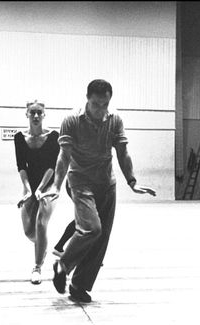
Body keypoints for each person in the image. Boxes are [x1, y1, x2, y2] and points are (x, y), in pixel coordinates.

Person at [42, 79, 156, 303]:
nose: (100, 110)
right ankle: (63, 264)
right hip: (80, 181)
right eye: (96, 104)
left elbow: (123, 152)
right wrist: (56, 185)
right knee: (91, 228)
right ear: (87, 99)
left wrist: (132, 181)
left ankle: (79, 285)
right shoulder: (72, 120)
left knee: (102, 237)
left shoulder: (114, 120)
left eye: (105, 104)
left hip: (106, 183)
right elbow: (64, 156)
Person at [14, 100, 60, 284]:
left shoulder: (53, 136)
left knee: (41, 223)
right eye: (32, 112)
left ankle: (37, 267)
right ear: (26, 114)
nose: (35, 116)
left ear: (44, 114)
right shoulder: (19, 137)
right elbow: (21, 165)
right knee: (28, 231)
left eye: (39, 112)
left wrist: (41, 190)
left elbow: (52, 165)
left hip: (48, 184)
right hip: (30, 185)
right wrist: (27, 190)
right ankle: (42, 245)